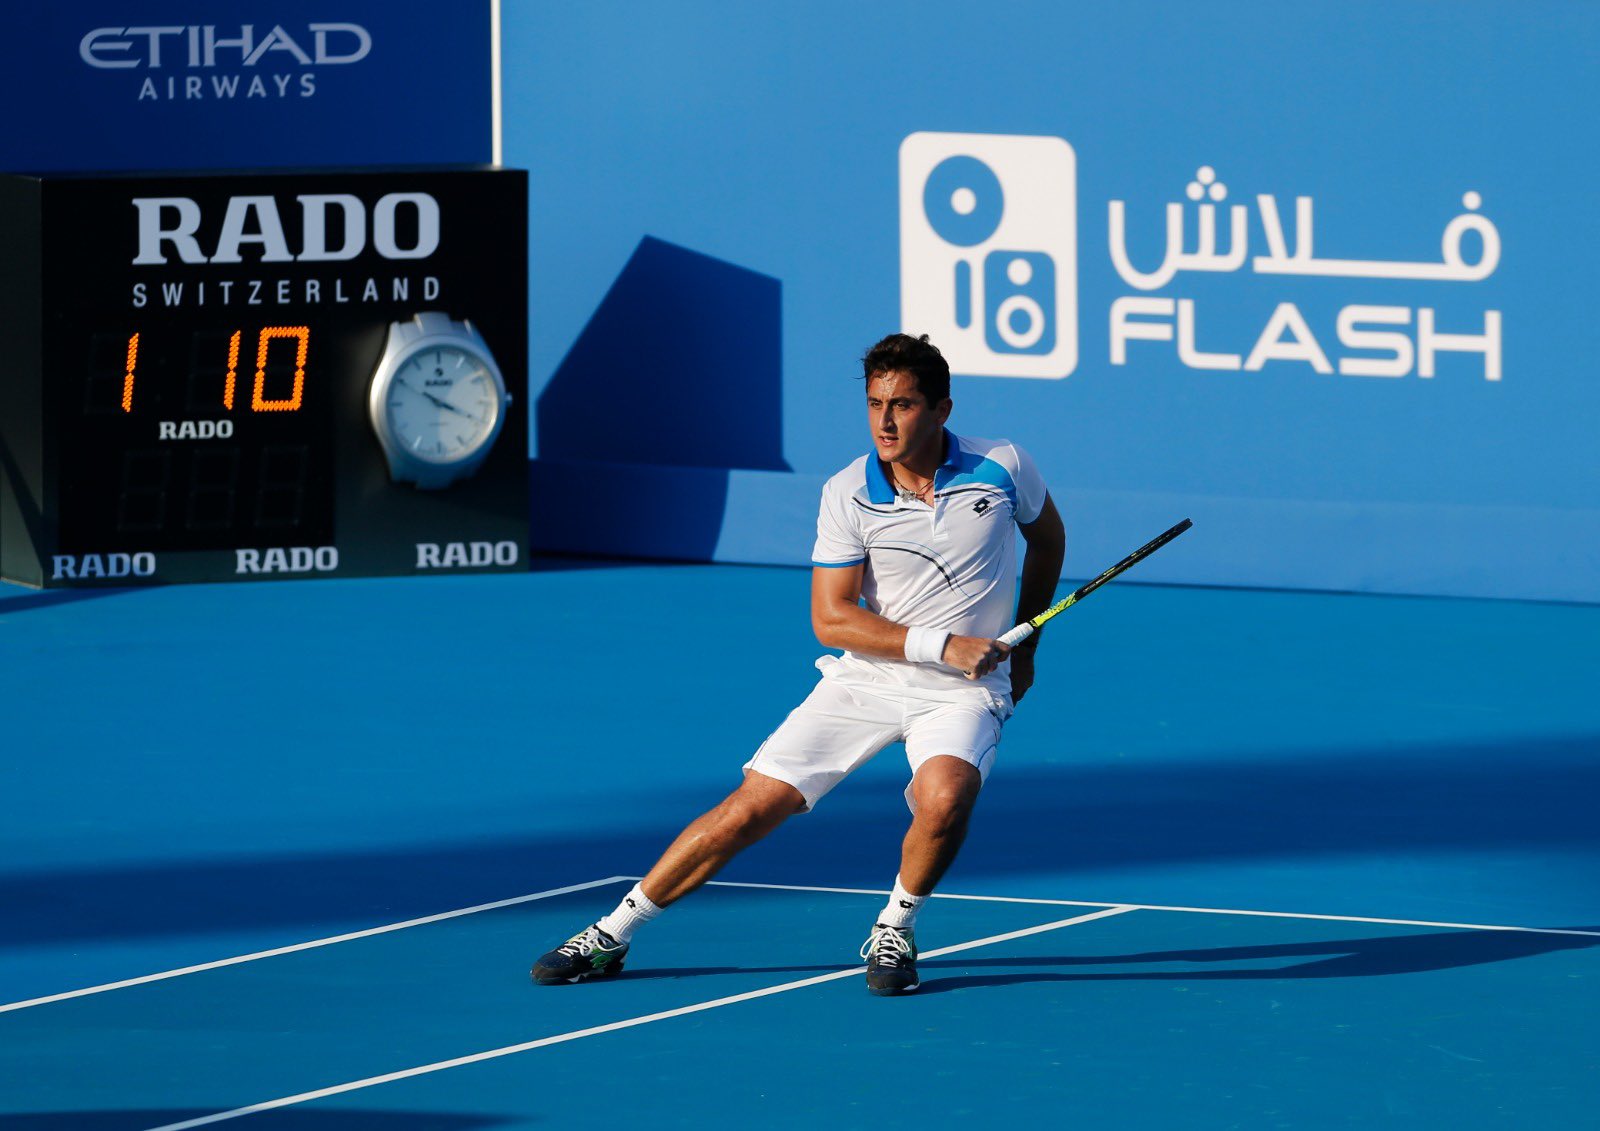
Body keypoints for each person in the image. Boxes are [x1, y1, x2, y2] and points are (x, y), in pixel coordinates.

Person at [532, 332, 1065, 995]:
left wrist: (1029, 642)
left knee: (947, 798)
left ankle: (895, 926)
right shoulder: (849, 491)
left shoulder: (1004, 465)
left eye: (902, 404)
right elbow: (832, 617)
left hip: (962, 690)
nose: (886, 421)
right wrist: (940, 644)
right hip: (868, 677)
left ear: (942, 408)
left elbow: (1047, 538)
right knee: (750, 809)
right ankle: (613, 931)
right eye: (874, 404)